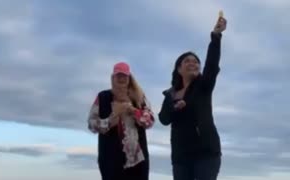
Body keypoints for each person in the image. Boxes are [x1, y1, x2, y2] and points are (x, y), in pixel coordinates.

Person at [158, 15, 227, 180]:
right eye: (187, 61)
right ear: (179, 69)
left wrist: (216, 36)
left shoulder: (204, 86)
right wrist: (174, 108)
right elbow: (164, 119)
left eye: (196, 62)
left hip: (206, 154)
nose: (193, 63)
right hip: (181, 157)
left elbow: (211, 65)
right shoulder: (170, 94)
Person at [88, 62, 154, 180]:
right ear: (112, 78)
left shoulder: (139, 97)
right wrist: (110, 121)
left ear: (129, 78)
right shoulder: (103, 97)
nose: (121, 78)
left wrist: (133, 111)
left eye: (124, 75)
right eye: (118, 75)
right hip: (110, 160)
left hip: (138, 161)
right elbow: (91, 123)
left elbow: (150, 121)